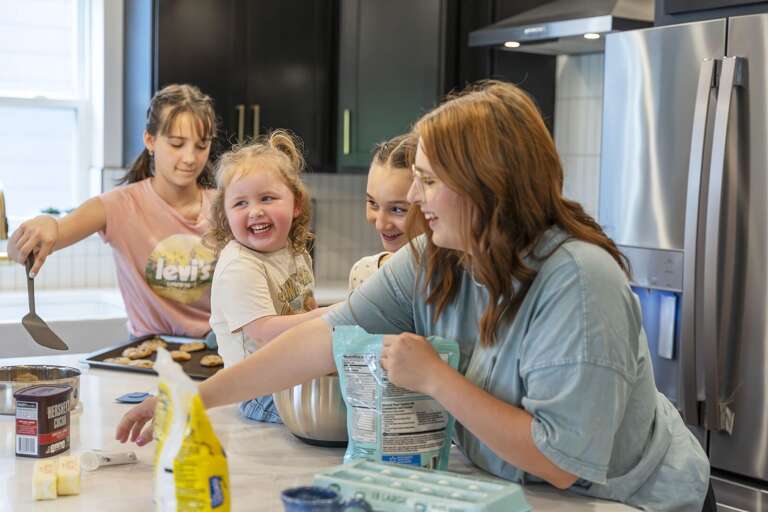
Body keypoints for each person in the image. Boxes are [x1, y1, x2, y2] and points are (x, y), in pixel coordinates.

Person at [116, 81, 714, 512]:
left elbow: (559, 461)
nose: (418, 200)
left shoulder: (578, 283)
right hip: (522, 492)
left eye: (428, 181)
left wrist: (434, 378)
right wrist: (194, 399)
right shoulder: (437, 258)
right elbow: (322, 338)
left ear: (485, 185)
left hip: (628, 500)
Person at [8, 84, 218, 339]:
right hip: (148, 353)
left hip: (218, 350)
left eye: (201, 145)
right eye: (177, 144)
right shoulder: (120, 206)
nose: (190, 158)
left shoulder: (225, 207)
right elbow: (27, 246)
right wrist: (44, 224)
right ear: (150, 140)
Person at [204, 130, 331, 423]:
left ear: (296, 204)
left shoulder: (295, 251)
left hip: (291, 377)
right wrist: (333, 314)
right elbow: (265, 332)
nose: (255, 211)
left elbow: (304, 308)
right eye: (240, 203)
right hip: (257, 393)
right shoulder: (240, 265)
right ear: (225, 214)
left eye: (267, 198)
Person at [348, 133, 418, 291]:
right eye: (373, 203)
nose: (380, 225)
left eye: (397, 209)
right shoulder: (363, 273)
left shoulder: (463, 279)